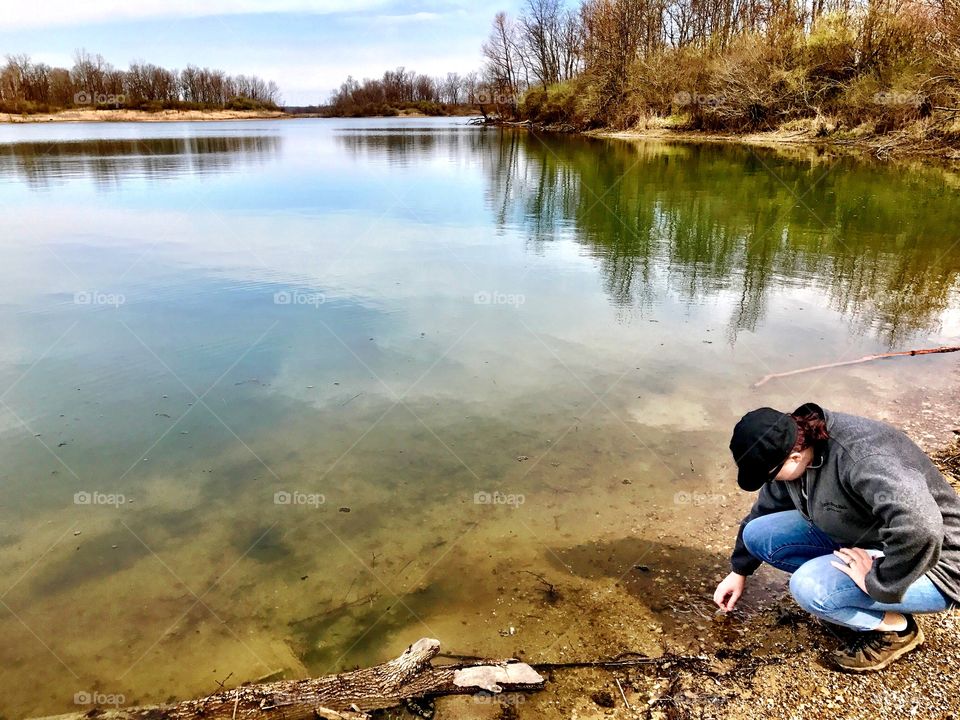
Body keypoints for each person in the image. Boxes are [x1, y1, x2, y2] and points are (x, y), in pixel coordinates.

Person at [713, 402, 960, 671]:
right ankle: (847, 597)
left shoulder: (862, 458)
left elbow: (922, 527)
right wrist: (739, 571)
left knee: (809, 588)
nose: (770, 482)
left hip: (940, 564)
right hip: (879, 536)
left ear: (794, 457)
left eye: (770, 475)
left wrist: (878, 581)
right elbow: (763, 511)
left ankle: (898, 630)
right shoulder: (798, 446)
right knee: (758, 534)